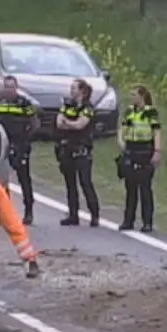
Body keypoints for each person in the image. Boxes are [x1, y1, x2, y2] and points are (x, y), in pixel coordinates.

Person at [0, 75, 40, 224]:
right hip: (0, 144)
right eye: (6, 87)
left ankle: (29, 210)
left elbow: (35, 124)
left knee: (24, 178)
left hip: (20, 144)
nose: (9, 90)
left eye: (11, 87)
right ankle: (0, 211)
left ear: (16, 88)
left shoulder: (24, 103)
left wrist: (26, 140)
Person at [55, 79, 101, 227]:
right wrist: (70, 124)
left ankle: (94, 215)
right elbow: (58, 123)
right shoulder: (67, 105)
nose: (71, 91)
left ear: (82, 91)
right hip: (67, 149)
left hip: (82, 151)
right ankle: (73, 214)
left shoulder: (88, 108)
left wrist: (67, 123)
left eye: (74, 88)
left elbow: (80, 125)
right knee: (70, 184)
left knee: (85, 183)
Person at [116, 84, 161, 232]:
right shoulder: (130, 111)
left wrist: (157, 151)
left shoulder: (150, 112)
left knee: (145, 188)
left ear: (142, 96)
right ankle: (128, 220)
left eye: (134, 94)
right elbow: (123, 128)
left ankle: (147, 222)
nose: (131, 97)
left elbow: (156, 132)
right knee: (130, 188)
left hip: (144, 149)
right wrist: (121, 141)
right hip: (131, 149)